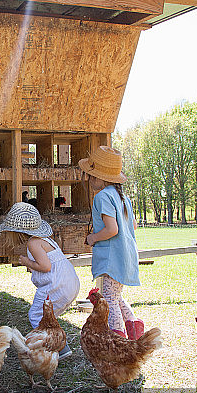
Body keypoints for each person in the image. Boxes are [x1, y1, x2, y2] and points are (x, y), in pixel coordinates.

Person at [0, 202, 80, 358]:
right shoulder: (44, 239)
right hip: (69, 283)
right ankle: (62, 346)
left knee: (36, 316)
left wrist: (28, 262)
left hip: (56, 285)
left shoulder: (33, 243)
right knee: (48, 317)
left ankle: (51, 348)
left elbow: (46, 266)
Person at [78, 145, 143, 340]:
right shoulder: (122, 197)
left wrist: (93, 238)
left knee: (108, 299)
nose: (89, 179)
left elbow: (112, 229)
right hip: (126, 255)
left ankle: (118, 338)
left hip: (112, 257)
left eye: (91, 175)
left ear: (99, 177)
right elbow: (133, 225)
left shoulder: (102, 197)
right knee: (115, 296)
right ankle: (133, 327)